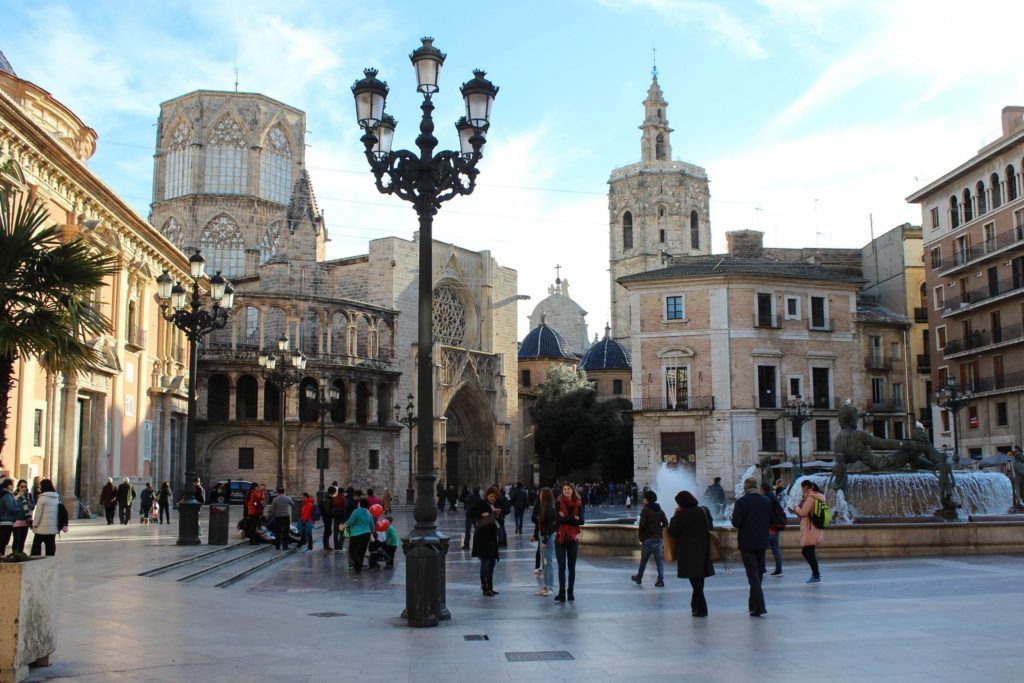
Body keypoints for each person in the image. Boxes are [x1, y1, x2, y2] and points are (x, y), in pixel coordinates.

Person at [669, 491, 715, 617]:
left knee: (695, 582)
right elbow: (711, 527)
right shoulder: (704, 510)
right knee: (699, 580)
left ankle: (701, 609)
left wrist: (674, 515)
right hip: (704, 549)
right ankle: (695, 607)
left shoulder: (681, 515)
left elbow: (672, 531)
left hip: (688, 552)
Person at [731, 477, 773, 617]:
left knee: (753, 575)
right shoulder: (766, 501)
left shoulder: (741, 502)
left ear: (745, 487)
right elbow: (771, 520)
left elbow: (736, 523)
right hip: (762, 542)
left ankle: (760, 606)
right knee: (758, 573)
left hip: (747, 543)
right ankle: (753, 606)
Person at [791, 480, 826, 583]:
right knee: (809, 551)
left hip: (810, 528)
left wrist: (796, 507)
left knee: (807, 551)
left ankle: (816, 575)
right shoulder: (817, 496)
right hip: (814, 527)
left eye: (802, 487)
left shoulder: (810, 498)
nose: (801, 489)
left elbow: (803, 513)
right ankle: (815, 574)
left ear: (806, 487)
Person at [468, 486, 501, 596]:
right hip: (483, 538)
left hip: (491, 538)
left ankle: (490, 587)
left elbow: (498, 522)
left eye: (495, 497)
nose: (493, 499)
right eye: (491, 496)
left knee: (492, 562)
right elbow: (469, 513)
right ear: (487, 495)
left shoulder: (492, 505)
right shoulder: (482, 504)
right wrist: (481, 514)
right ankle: (485, 588)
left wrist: (497, 514)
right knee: (485, 563)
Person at [554, 482, 584, 603]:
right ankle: (562, 593)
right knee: (561, 566)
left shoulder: (578, 504)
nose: (566, 491)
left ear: (573, 490)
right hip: (560, 537)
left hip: (572, 538)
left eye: (568, 489)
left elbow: (581, 521)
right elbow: (558, 519)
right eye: (564, 489)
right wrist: (573, 519)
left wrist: (566, 519)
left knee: (571, 567)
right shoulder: (558, 503)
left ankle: (570, 592)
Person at [631, 490, 668, 587]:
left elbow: (642, 525)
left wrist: (641, 537)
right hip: (658, 539)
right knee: (659, 561)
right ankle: (660, 580)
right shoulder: (660, 510)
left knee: (643, 560)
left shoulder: (645, 510)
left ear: (647, 499)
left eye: (644, 498)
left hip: (647, 539)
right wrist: (659, 530)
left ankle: (639, 577)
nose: (643, 500)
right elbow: (666, 523)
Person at [534, 487, 557, 596]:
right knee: (544, 563)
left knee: (548, 562)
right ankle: (545, 585)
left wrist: (544, 540)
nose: (539, 496)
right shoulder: (544, 508)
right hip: (542, 536)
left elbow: (550, 527)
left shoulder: (550, 509)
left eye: (541, 494)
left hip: (547, 537)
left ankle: (550, 587)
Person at [341, 498, 374, 573]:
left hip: (356, 534)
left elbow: (350, 521)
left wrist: (343, 526)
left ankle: (359, 565)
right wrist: (371, 532)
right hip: (367, 534)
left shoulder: (356, 511)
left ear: (359, 504)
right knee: (361, 552)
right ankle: (358, 569)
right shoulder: (369, 513)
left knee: (352, 552)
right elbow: (372, 526)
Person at [31, 478, 61, 556]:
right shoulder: (57, 498)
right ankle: (50, 561)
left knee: (36, 546)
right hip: (52, 528)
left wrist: (35, 525)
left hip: (41, 528)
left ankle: (36, 561)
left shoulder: (42, 498)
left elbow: (38, 513)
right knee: (50, 546)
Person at [763, 482, 785, 577]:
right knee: (776, 548)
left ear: (763, 489)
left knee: (762, 548)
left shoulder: (766, 499)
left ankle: (762, 568)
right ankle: (779, 569)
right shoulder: (773, 497)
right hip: (776, 526)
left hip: (769, 527)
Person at [12, 480, 34, 554]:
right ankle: (15, 554)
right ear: (18, 487)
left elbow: (32, 506)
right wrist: (18, 496)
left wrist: (28, 503)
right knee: (16, 540)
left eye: (25, 486)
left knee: (22, 540)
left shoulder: (29, 495)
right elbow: (12, 504)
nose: (24, 488)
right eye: (22, 487)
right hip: (16, 521)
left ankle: (20, 554)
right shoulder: (14, 495)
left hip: (26, 521)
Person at [0, 478, 16, 555]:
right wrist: (19, 509)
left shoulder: (2, 493)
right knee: (3, 542)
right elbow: (11, 508)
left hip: (2, 521)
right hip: (7, 522)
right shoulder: (7, 495)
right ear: (9, 486)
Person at [319, 486, 336, 551]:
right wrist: (334, 512)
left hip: (326, 516)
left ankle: (326, 545)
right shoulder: (328, 498)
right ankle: (326, 545)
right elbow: (327, 510)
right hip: (327, 516)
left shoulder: (326, 497)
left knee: (327, 530)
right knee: (327, 531)